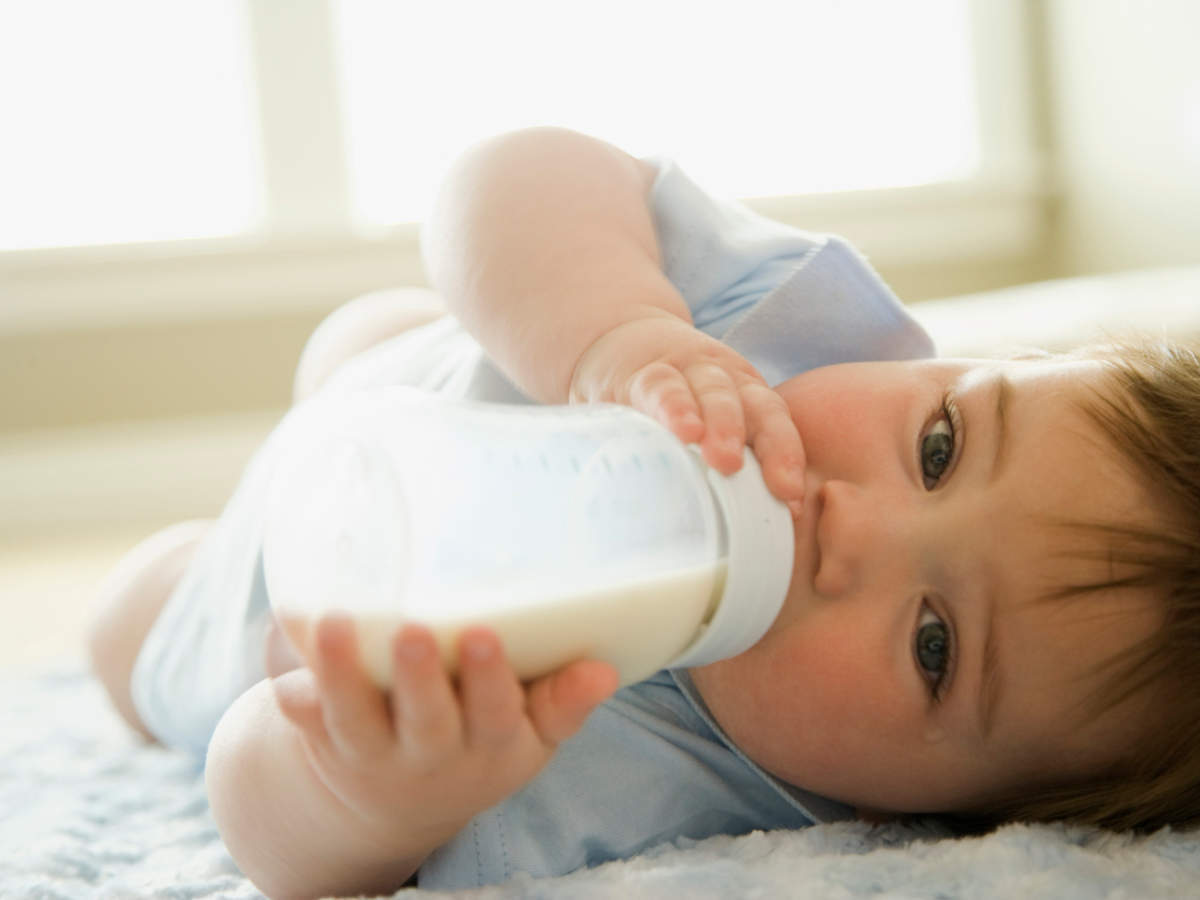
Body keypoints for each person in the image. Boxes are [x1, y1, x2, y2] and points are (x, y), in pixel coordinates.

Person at [87, 127, 1200, 899]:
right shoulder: (773, 329)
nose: (849, 526)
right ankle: (353, 370)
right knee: (390, 326)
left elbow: (259, 810)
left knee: (127, 643)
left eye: (933, 645)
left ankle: (174, 572)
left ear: (941, 818)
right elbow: (520, 173)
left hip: (270, 593)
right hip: (416, 390)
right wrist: (615, 330)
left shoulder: (643, 802)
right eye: (941, 445)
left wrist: (367, 791)